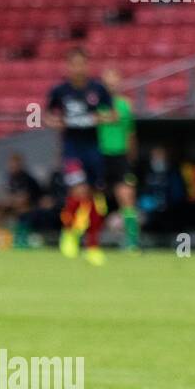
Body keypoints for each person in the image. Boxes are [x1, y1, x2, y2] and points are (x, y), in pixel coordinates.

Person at [44, 48, 115, 265]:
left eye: (81, 64)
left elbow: (112, 115)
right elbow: (46, 115)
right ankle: (69, 232)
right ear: (68, 66)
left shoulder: (98, 89)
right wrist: (55, 122)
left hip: (93, 148)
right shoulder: (59, 91)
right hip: (71, 149)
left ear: (86, 65)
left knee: (93, 197)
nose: (78, 68)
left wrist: (98, 118)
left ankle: (93, 245)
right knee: (79, 190)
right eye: (73, 64)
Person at [98, 68, 140, 251]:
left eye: (115, 80)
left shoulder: (125, 105)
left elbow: (131, 133)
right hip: (100, 155)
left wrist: (131, 157)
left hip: (120, 156)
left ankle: (131, 240)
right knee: (92, 197)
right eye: (108, 80)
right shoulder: (97, 105)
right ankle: (89, 235)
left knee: (127, 196)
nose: (112, 84)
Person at [0, 152, 43, 247]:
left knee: (22, 209)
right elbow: (8, 194)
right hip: (15, 205)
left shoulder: (27, 178)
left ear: (20, 164)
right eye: (10, 163)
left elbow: (24, 199)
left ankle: (23, 237)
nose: (12, 166)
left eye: (15, 163)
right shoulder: (9, 178)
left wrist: (9, 201)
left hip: (33, 205)